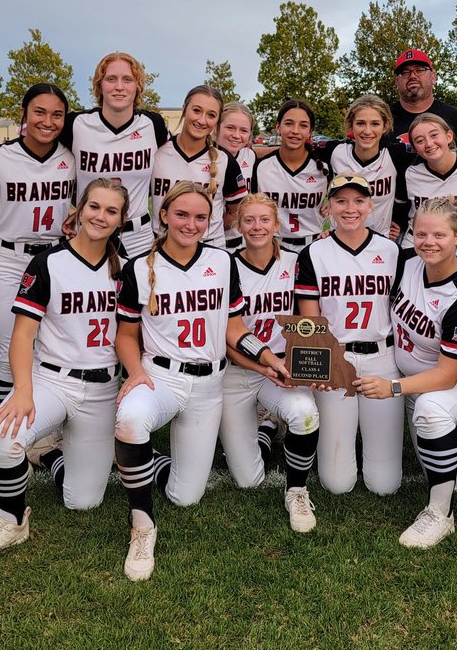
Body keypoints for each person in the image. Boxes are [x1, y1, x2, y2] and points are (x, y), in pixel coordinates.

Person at [114, 182, 289, 581]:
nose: (190, 224)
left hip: (210, 385)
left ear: (209, 221)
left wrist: (266, 359)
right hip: (160, 376)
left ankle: (144, 461)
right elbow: (125, 334)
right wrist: (137, 372)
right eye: (181, 214)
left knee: (185, 496)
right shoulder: (140, 266)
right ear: (163, 214)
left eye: (199, 217)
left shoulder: (222, 262)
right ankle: (141, 525)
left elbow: (234, 327)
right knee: (130, 421)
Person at [0, 179, 128, 567]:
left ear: (121, 220)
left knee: (83, 502)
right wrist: (22, 390)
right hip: (52, 380)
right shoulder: (48, 262)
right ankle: (11, 521)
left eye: (111, 211)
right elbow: (22, 336)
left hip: (102, 390)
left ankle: (49, 455)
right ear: (79, 210)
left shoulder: (128, 269)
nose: (100, 216)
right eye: (94, 207)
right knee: (3, 437)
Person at [355, 198, 457, 548]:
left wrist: (392, 387)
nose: (429, 241)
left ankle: (440, 514)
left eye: (439, 235)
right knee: (446, 473)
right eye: (421, 233)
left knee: (432, 419)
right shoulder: (409, 262)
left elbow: (446, 376)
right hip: (417, 382)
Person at [219, 192, 321, 532]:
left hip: (282, 367)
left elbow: (308, 320)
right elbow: (226, 337)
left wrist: (305, 366)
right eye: (248, 220)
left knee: (305, 414)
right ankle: (265, 431)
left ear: (277, 225)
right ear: (237, 225)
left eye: (265, 220)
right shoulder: (226, 265)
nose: (257, 227)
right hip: (239, 370)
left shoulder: (297, 262)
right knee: (248, 480)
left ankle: (297, 490)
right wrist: (263, 366)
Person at [295, 174, 402, 495]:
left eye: (358, 200)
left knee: (385, 485)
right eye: (341, 201)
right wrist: (317, 364)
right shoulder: (313, 252)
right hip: (336, 356)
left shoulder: (394, 251)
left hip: (382, 358)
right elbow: (308, 318)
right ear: (328, 207)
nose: (350, 208)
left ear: (371, 206)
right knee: (336, 484)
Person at [0, 83, 75, 410]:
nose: (47, 121)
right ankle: (5, 436)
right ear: (24, 113)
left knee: (55, 350)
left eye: (57, 114)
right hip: (9, 259)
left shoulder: (71, 156)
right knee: (10, 353)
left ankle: (47, 431)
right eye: (39, 111)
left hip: (57, 259)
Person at [61, 52, 169, 259]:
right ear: (99, 85)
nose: (119, 87)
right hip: (90, 231)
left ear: (137, 86)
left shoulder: (152, 124)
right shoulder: (76, 124)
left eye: (127, 79)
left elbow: (178, 154)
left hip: (139, 236)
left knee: (140, 291)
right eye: (111, 79)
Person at [151, 85, 246, 249]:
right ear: (184, 109)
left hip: (210, 249)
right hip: (162, 247)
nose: (202, 120)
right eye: (196, 110)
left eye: (211, 115)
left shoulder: (225, 161)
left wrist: (207, 230)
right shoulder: (157, 153)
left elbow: (236, 210)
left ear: (217, 121)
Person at [400, 113, 457, 273]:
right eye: (420, 141)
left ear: (449, 135)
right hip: (417, 246)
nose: (429, 144)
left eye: (434, 135)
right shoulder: (410, 172)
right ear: (414, 148)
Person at [324, 94, 412, 239]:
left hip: (380, 241)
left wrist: (399, 221)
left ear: (386, 126)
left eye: (375, 124)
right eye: (360, 123)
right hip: (339, 239)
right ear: (351, 125)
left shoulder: (395, 154)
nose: (367, 131)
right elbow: (295, 149)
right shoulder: (335, 151)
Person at [251, 100, 331, 252]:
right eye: (288, 123)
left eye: (303, 125)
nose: (295, 130)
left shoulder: (324, 166)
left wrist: (332, 204)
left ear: (310, 131)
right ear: (278, 127)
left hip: (314, 247)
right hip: (272, 247)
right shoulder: (262, 167)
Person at [389, 48, 457, 151]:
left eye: (420, 70)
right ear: (396, 82)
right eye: (404, 72)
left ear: (433, 77)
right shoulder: (382, 120)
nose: (412, 76)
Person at [217, 101, 263, 251]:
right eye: (230, 128)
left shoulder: (249, 155)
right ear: (217, 127)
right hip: (211, 240)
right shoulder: (203, 155)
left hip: (242, 242)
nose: (236, 135)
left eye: (244, 130)